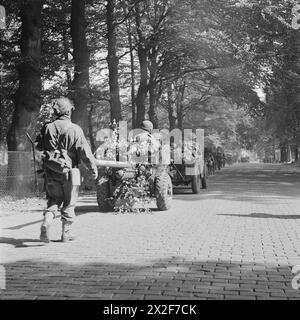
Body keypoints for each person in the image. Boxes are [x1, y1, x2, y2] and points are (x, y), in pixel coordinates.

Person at [35, 97, 98, 243]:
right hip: (70, 171)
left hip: (50, 170)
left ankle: (46, 222)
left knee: (53, 200)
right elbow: (85, 153)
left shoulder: (47, 127)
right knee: (69, 203)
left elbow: (39, 147)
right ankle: (65, 234)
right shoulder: (75, 129)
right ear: (68, 110)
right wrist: (92, 168)